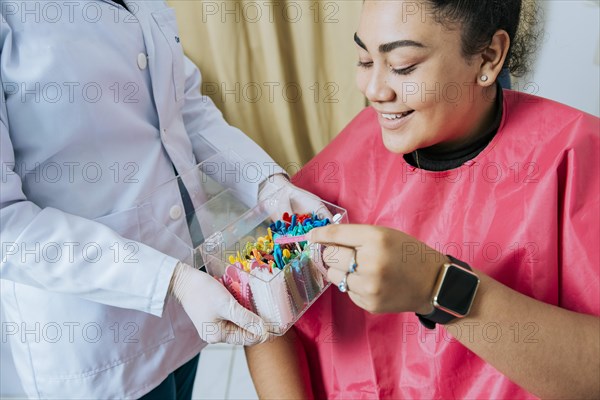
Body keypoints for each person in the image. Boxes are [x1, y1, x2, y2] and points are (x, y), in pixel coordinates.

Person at [245, 1, 600, 399]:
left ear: (488, 56)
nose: (375, 90)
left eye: (403, 66)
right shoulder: (337, 168)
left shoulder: (575, 158)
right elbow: (266, 308)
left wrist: (438, 287)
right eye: (365, 59)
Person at [0, 0, 317, 398]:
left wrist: (267, 183)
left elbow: (185, 109)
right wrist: (169, 279)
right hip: (94, 342)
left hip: (187, 311)